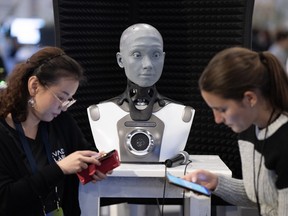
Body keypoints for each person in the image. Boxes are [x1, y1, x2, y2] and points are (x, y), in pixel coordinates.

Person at [0, 46, 111, 216]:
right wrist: (59, 169)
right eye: (60, 97)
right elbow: (5, 198)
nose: (63, 107)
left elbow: (84, 150)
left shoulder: (60, 122)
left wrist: (95, 165)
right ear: (34, 86)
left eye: (68, 100)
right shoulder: (3, 133)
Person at [183, 47, 288, 216]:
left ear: (250, 98)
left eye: (222, 109)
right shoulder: (248, 129)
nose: (217, 119)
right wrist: (217, 183)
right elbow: (260, 195)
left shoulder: (283, 142)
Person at [87, 23, 194, 162]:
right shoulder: (98, 113)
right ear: (120, 60)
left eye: (155, 55)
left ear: (163, 58)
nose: (148, 64)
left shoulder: (183, 114)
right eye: (137, 55)